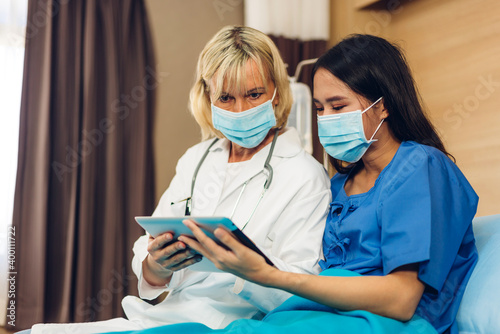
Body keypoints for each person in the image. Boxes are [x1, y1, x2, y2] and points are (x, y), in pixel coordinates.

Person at [116, 34, 478, 334]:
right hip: (322, 313)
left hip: (386, 322)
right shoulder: (343, 183)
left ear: (384, 106)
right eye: (320, 109)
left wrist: (268, 275)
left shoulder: (420, 166)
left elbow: (401, 300)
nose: (327, 120)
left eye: (338, 106)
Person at [28, 26, 331, 334]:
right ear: (207, 98)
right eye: (226, 97)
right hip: (165, 316)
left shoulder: (305, 176)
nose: (241, 110)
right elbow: (150, 248)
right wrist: (158, 266)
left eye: (254, 94)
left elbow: (304, 289)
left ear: (276, 93)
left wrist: (245, 272)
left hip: (233, 323)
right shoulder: (197, 159)